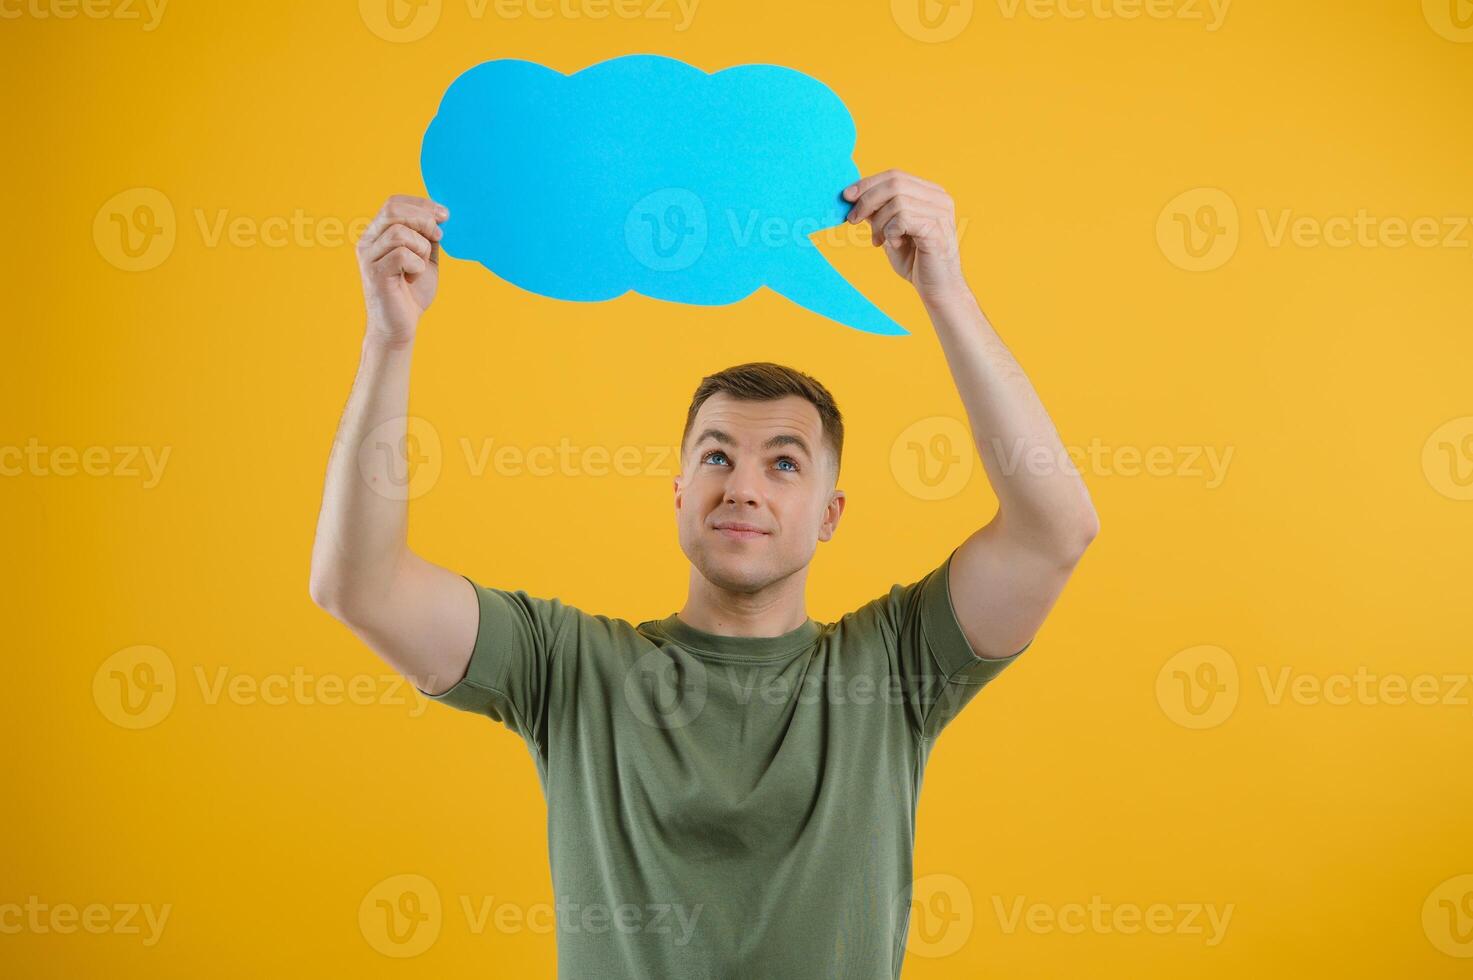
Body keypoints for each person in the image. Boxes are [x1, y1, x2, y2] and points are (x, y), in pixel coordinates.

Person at [309, 170, 1099, 978]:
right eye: (717, 455)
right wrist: (390, 338)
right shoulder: (570, 668)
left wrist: (945, 292)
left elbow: (1054, 531)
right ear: (681, 495)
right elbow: (360, 586)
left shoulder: (895, 667)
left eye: (784, 464)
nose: (744, 486)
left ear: (831, 515)